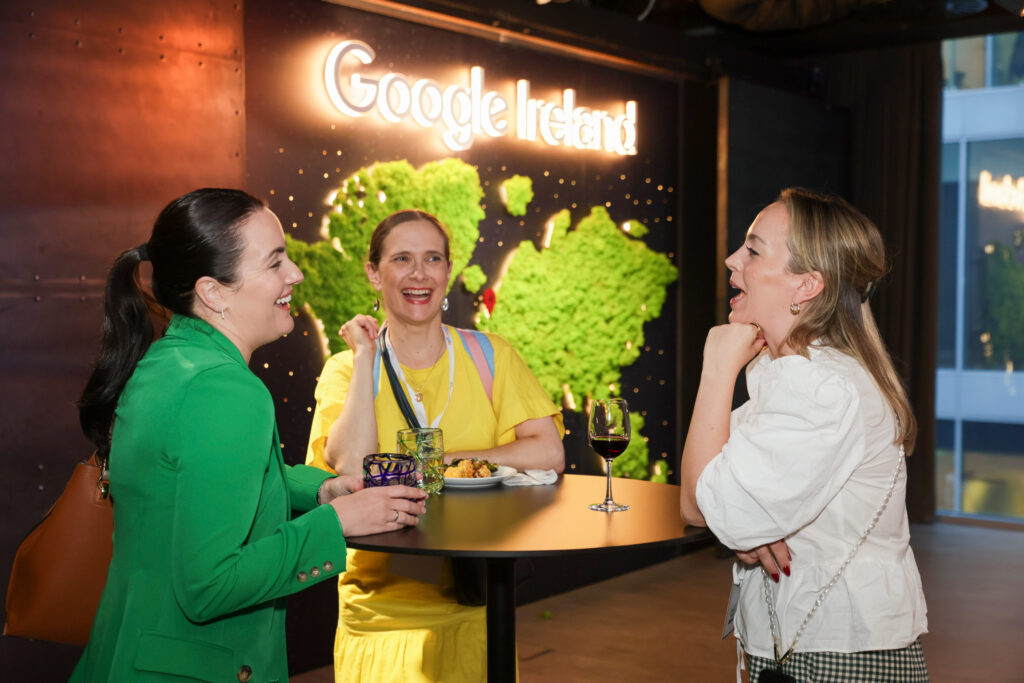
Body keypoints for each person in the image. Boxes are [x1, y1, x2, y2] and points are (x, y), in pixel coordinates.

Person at [70, 188, 426, 683]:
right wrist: (335, 522)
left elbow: (198, 484)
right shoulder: (226, 390)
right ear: (213, 292)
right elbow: (211, 585)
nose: (295, 274)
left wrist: (320, 489)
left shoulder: (167, 361)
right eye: (275, 262)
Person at [679, 188, 928, 682]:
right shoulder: (793, 375)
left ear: (807, 285)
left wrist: (715, 368)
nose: (732, 260)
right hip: (818, 649)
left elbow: (696, 504)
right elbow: (716, 495)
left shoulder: (818, 388)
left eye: (753, 250)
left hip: (836, 658)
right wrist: (746, 529)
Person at [305, 209, 565, 682]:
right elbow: (351, 465)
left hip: (474, 599)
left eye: (432, 259)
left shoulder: (491, 354)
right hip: (381, 610)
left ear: (448, 270)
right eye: (401, 258)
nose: (419, 274)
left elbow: (548, 451)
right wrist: (366, 357)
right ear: (373, 273)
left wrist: (444, 462)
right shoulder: (347, 370)